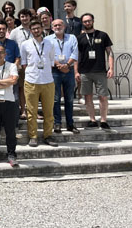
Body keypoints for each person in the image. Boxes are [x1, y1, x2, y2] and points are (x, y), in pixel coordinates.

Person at [20, 19, 58, 148]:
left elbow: (52, 60)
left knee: (48, 111)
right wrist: (33, 74)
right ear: (30, 31)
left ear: (42, 28)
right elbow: (24, 63)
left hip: (48, 81)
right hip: (31, 81)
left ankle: (48, 135)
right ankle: (33, 136)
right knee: (31, 111)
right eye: (33, 29)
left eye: (38, 28)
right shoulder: (25, 44)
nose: (36, 31)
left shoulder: (50, 43)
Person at [75, 13, 114, 130]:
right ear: (82, 23)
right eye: (85, 21)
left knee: (103, 97)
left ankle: (103, 120)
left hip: (100, 71)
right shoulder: (79, 38)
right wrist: (76, 72)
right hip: (85, 72)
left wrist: (111, 68)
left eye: (89, 20)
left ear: (93, 21)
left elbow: (110, 52)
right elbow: (76, 56)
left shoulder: (103, 35)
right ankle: (92, 120)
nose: (87, 23)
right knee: (88, 97)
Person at [46, 19, 79, 134]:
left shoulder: (72, 38)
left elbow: (75, 53)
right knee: (55, 98)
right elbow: (47, 55)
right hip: (54, 71)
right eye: (55, 25)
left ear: (64, 26)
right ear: (52, 27)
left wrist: (67, 65)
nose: (57, 26)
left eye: (60, 25)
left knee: (69, 98)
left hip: (68, 70)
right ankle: (57, 123)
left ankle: (70, 124)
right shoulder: (47, 39)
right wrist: (59, 65)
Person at [9, 8, 33, 119]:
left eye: (26, 16)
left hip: (34, 64)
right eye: (22, 16)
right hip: (21, 63)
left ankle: (33, 111)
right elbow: (11, 47)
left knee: (33, 88)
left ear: (30, 17)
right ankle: (23, 110)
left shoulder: (35, 29)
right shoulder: (15, 31)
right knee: (22, 88)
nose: (25, 18)